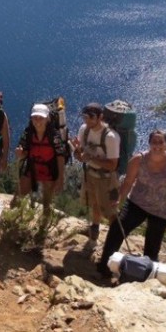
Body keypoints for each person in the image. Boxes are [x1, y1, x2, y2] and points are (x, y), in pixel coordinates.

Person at [97, 129, 166, 278]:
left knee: (153, 244)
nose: (157, 145)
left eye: (160, 142)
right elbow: (128, 182)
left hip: (163, 209)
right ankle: (105, 265)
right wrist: (119, 199)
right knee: (118, 228)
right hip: (138, 203)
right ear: (149, 143)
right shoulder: (138, 160)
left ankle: (145, 275)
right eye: (154, 142)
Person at [72, 102, 121, 241]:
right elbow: (81, 153)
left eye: (90, 118)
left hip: (106, 179)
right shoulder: (84, 129)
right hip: (90, 174)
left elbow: (112, 165)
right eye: (85, 117)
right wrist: (77, 152)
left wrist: (90, 158)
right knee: (93, 203)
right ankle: (94, 230)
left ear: (100, 117)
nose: (87, 121)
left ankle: (114, 238)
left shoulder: (111, 137)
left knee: (110, 211)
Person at [14, 103, 66, 208]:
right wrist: (20, 154)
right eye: (34, 118)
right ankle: (14, 218)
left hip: (49, 170)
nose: (37, 121)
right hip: (31, 168)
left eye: (41, 118)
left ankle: (44, 222)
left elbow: (60, 157)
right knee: (17, 198)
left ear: (47, 119)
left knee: (46, 203)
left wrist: (60, 178)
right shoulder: (28, 133)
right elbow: (24, 152)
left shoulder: (54, 135)